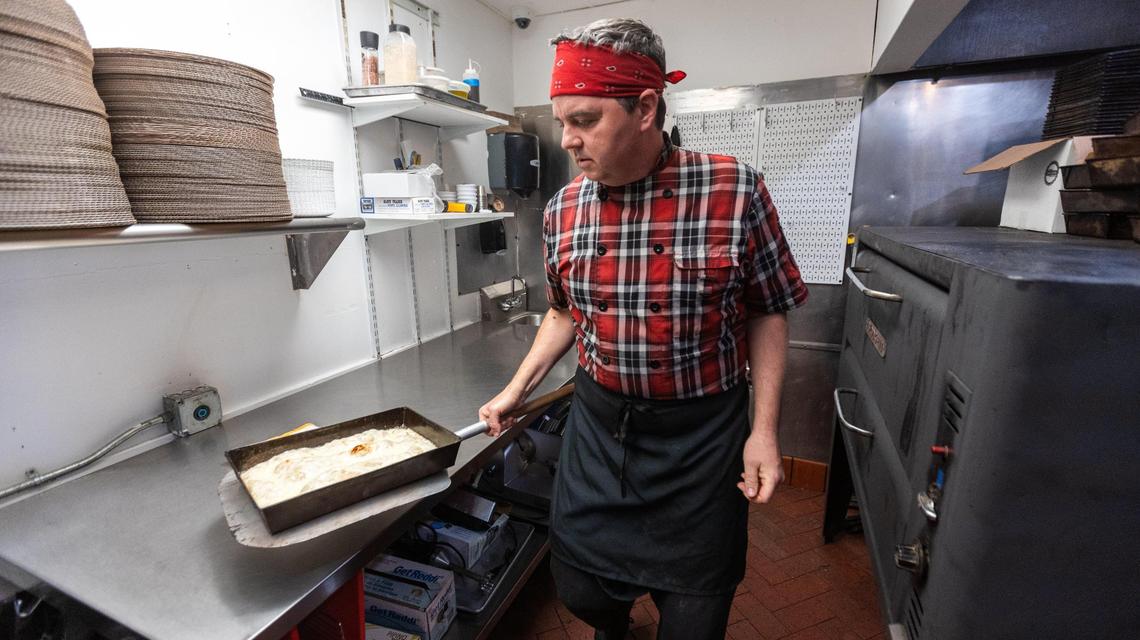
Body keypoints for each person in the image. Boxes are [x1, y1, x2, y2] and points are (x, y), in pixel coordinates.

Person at [478, 18, 808, 640]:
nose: (568, 140)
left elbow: (768, 309)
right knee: (578, 586)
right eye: (562, 121)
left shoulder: (734, 190)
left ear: (646, 107)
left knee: (694, 617)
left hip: (703, 436)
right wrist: (517, 389)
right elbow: (562, 310)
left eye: (585, 120)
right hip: (602, 429)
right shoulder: (564, 209)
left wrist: (764, 432)